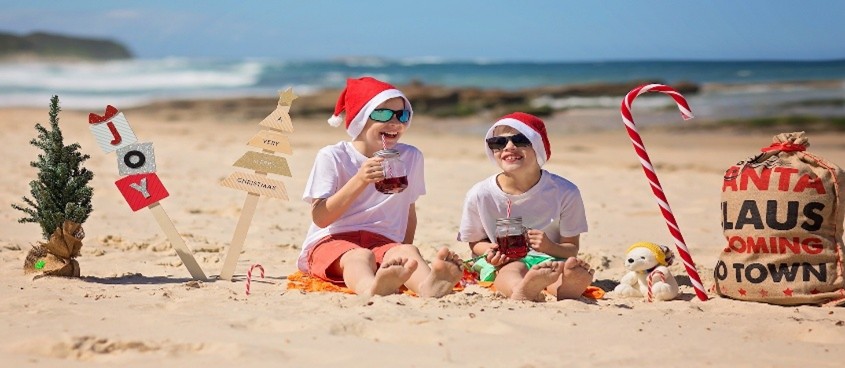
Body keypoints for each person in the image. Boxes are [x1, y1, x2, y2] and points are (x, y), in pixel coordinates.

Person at [298, 76, 463, 298]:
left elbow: (408, 212)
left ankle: (428, 286)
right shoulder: (334, 156)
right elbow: (320, 218)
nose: (395, 122)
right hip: (333, 240)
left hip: (382, 241)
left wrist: (400, 254)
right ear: (360, 117)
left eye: (402, 115)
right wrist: (360, 179)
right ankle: (370, 287)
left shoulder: (411, 157)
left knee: (407, 252)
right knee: (359, 256)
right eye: (383, 114)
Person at [458, 112, 595, 301]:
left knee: (559, 269)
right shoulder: (480, 194)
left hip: (550, 258)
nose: (509, 147)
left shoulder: (565, 192)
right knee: (511, 270)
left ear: (538, 146)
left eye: (520, 140)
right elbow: (474, 242)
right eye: (498, 142)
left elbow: (571, 249)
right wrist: (490, 250)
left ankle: (565, 288)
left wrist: (549, 246)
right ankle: (521, 289)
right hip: (506, 261)